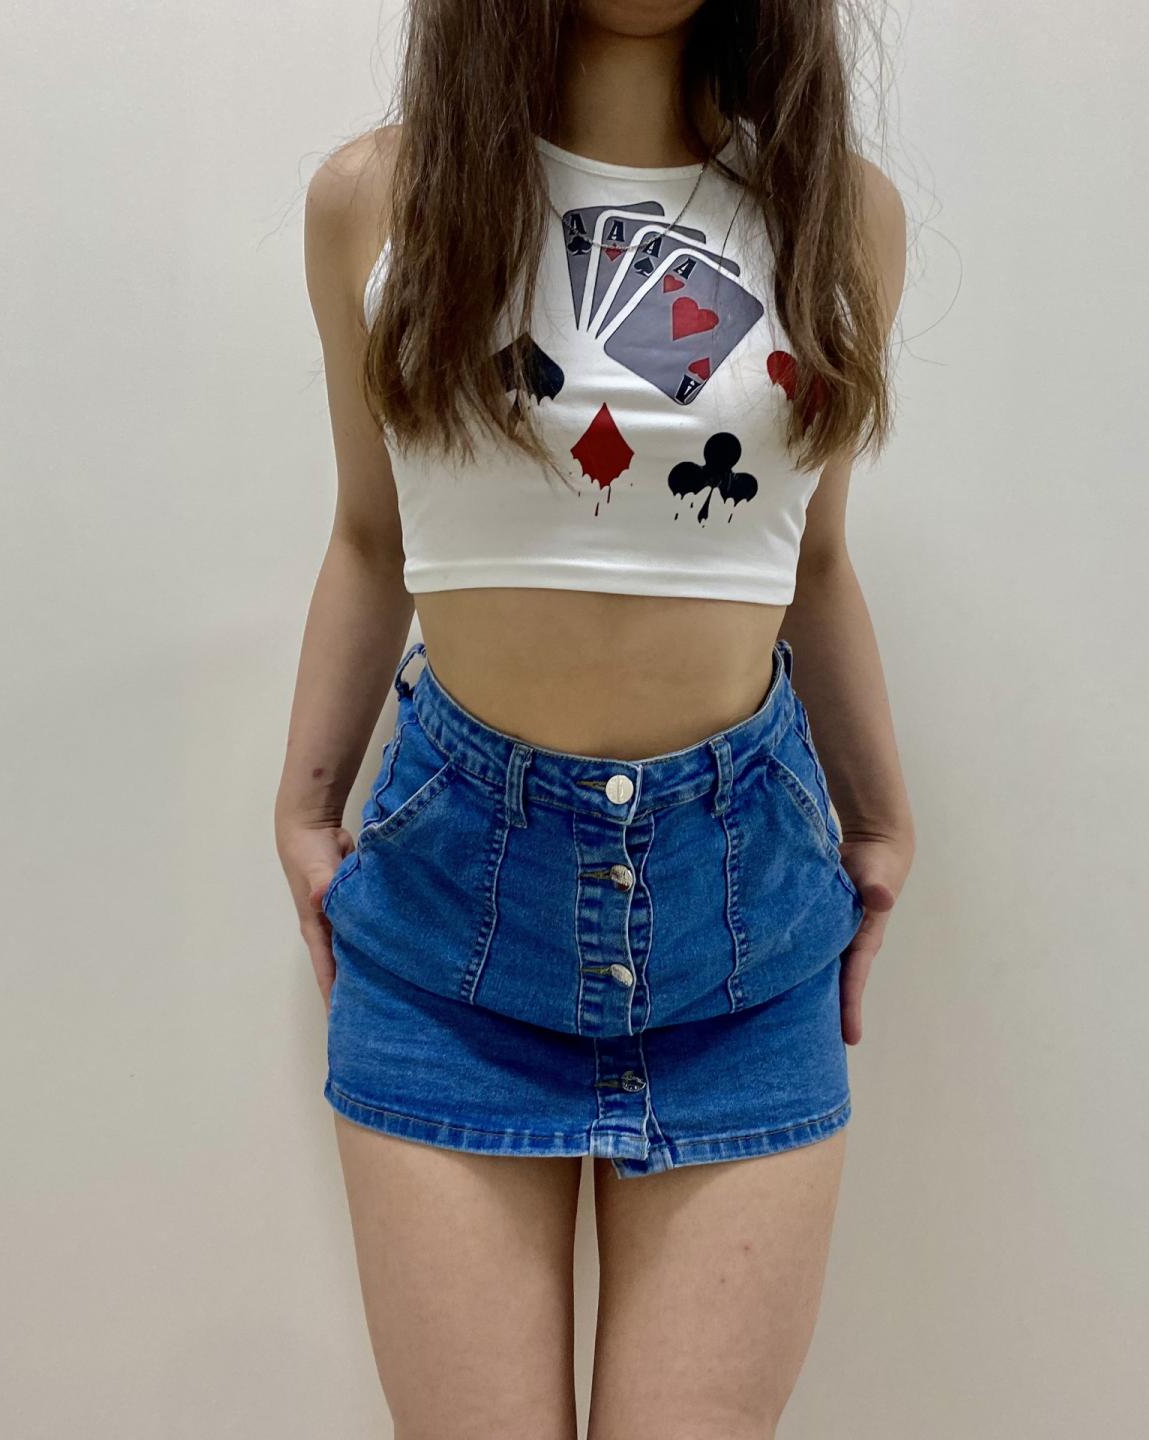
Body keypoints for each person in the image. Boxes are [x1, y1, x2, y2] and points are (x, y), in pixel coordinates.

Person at [274, 1, 914, 1433]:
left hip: (741, 917)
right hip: (453, 914)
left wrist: (881, 816)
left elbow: (810, 559)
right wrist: (305, 805)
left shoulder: (841, 217)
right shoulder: (374, 201)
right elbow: (372, 536)